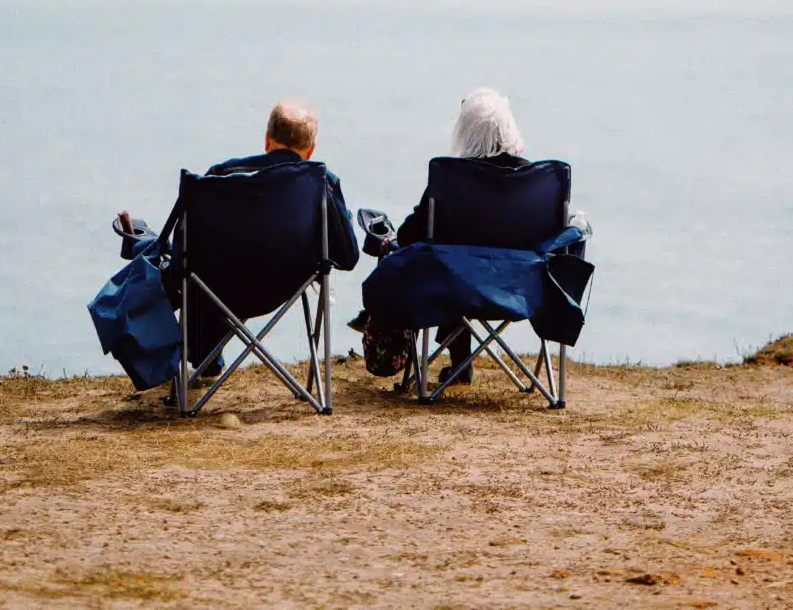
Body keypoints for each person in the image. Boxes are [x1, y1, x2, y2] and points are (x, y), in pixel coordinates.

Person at [153, 101, 359, 402]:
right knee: (214, 276)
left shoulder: (219, 178)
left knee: (193, 274)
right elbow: (348, 257)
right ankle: (210, 359)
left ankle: (201, 360)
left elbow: (187, 251)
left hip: (215, 287)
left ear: (267, 140)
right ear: (311, 151)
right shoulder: (321, 181)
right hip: (284, 283)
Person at [353, 88, 529, 385]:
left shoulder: (450, 180)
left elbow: (410, 235)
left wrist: (390, 243)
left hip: (456, 287)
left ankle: (453, 361)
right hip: (519, 288)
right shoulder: (534, 181)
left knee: (445, 260)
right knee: (455, 257)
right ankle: (462, 366)